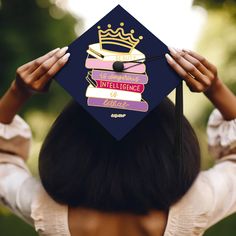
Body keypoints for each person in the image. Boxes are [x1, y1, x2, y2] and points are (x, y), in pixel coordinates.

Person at [0, 46, 235, 236]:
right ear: (167, 141)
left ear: (70, 141)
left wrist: (18, 92)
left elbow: (3, 164)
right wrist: (216, 89)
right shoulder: (195, 204)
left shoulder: (46, 207)